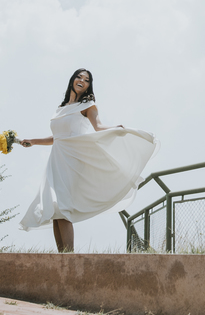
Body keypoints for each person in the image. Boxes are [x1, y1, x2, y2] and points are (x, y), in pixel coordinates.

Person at [19, 68, 157, 252]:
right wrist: (33, 142)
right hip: (56, 160)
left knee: (63, 206)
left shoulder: (88, 106)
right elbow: (57, 138)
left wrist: (115, 128)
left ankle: (69, 258)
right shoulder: (60, 109)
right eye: (79, 77)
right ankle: (63, 258)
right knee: (55, 209)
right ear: (72, 80)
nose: (82, 80)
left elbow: (98, 127)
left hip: (74, 160)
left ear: (88, 86)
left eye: (86, 79)